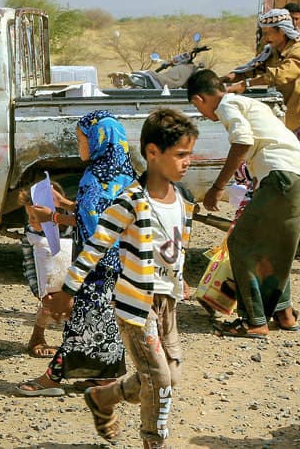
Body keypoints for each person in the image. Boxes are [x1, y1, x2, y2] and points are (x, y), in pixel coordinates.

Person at [71, 109, 198, 448]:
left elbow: (175, 244)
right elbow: (96, 243)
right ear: (153, 153)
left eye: (189, 154)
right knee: (158, 378)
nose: (188, 162)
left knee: (170, 375)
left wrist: (181, 278)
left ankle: (104, 397)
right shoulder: (130, 199)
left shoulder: (183, 200)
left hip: (167, 302)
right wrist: (69, 288)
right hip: (135, 305)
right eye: (181, 155)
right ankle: (153, 442)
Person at [188, 70, 300, 339]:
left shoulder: (228, 104)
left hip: (282, 176)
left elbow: (242, 141)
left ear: (200, 99)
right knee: (274, 245)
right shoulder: (251, 104)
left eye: (197, 107)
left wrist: (217, 187)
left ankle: (254, 321)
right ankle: (284, 313)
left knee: (241, 242)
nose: (202, 113)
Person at [16, 110, 132, 397]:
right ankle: (106, 378)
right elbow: (102, 215)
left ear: (97, 140)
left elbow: (94, 229)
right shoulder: (122, 172)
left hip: (95, 262)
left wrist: (52, 217)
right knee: (102, 320)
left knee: (81, 319)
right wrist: (67, 203)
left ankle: (52, 378)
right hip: (118, 261)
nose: (79, 146)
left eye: (82, 140)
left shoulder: (93, 178)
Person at [223, 8, 300, 264]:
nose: (266, 38)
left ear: (282, 32)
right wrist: (231, 77)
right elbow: (253, 67)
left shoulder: (299, 51)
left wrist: (246, 84)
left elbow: (281, 74)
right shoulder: (272, 51)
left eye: (269, 33)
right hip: (281, 126)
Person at [17, 184, 74, 359]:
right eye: (29, 216)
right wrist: (39, 292)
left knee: (78, 313)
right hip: (50, 284)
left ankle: (75, 344)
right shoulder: (31, 232)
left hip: (75, 283)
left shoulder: (76, 229)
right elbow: (29, 264)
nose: (30, 222)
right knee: (47, 310)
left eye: (34, 217)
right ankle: (37, 337)